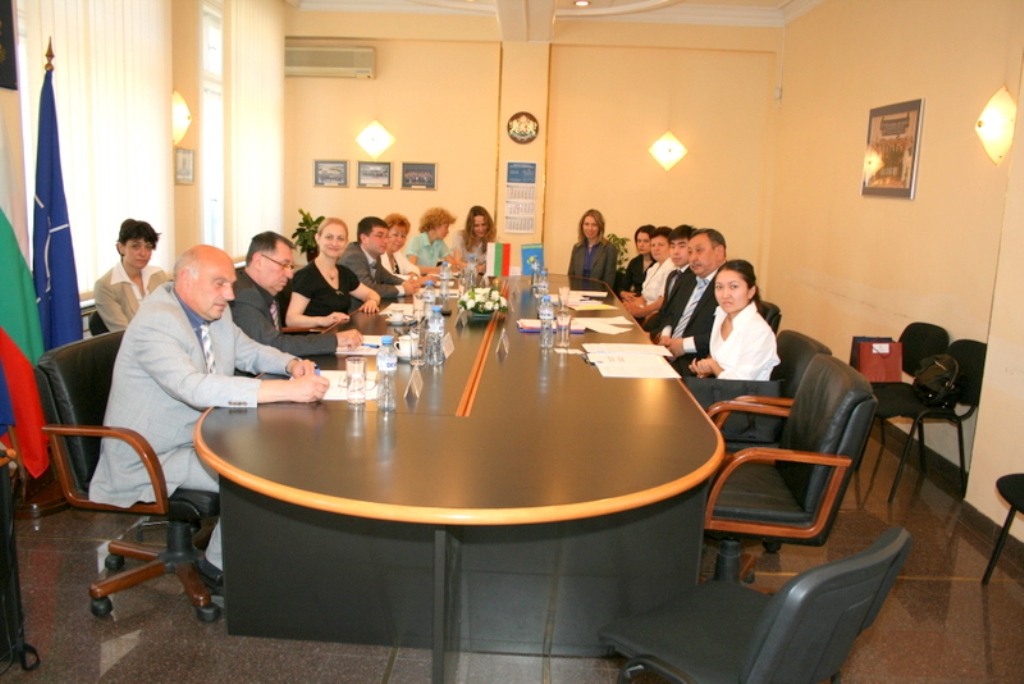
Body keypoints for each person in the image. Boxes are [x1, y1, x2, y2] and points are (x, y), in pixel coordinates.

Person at [89, 245, 330, 590]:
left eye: (231, 284)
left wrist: (290, 365)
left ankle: (250, 551)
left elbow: (248, 351)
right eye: (220, 283)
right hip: (151, 454)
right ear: (187, 279)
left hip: (197, 435)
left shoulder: (213, 311)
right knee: (254, 479)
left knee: (276, 455)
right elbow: (193, 387)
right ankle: (216, 570)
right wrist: (287, 390)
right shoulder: (158, 322)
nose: (229, 294)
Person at [231, 231, 363, 356]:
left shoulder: (266, 290)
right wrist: (335, 340)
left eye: (291, 267)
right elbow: (273, 345)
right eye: (284, 265)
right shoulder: (245, 295)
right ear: (258, 262)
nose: (289, 274)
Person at [688, 259, 779, 380]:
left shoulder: (758, 330)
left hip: (742, 391)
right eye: (719, 287)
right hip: (717, 386)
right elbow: (718, 357)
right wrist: (706, 367)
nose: (725, 294)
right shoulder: (721, 314)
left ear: (751, 291)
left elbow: (741, 382)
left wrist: (714, 366)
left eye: (733, 286)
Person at [287, 217, 382, 327]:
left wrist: (372, 301)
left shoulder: (344, 273)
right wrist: (323, 321)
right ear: (317, 238)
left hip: (342, 333)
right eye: (329, 237)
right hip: (317, 335)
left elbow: (372, 294)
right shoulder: (306, 276)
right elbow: (291, 320)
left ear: (346, 242)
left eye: (340, 238)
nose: (335, 243)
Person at [657, 228, 727, 375]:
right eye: (690, 252)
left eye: (699, 251)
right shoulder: (686, 280)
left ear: (719, 252)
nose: (693, 258)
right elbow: (670, 313)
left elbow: (726, 334)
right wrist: (666, 336)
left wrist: (684, 345)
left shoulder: (728, 287)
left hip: (697, 364)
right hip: (667, 354)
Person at [94, 218, 168, 332]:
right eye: (136, 246)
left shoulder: (158, 276)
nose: (143, 253)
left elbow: (171, 316)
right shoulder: (105, 286)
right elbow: (123, 333)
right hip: (135, 342)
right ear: (121, 248)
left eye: (148, 247)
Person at [341, 216, 422, 301]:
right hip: (353, 308)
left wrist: (405, 283)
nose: (386, 241)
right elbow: (368, 288)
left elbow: (386, 276)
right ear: (364, 238)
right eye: (380, 236)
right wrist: (403, 290)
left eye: (387, 236)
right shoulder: (353, 257)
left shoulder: (374, 253)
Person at [622, 227, 673, 320]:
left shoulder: (672, 269)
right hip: (645, 312)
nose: (656, 249)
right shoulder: (654, 268)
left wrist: (640, 311)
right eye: (653, 245)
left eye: (661, 245)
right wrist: (630, 304)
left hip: (657, 316)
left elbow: (661, 302)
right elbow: (644, 297)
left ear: (671, 246)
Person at [567, 209, 618, 290]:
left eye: (594, 225)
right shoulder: (577, 248)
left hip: (599, 294)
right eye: (586, 224)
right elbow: (570, 276)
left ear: (600, 227)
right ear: (582, 226)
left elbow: (609, 281)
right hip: (577, 293)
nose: (590, 228)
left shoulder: (609, 248)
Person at [406, 207, 457, 275]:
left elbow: (453, 264)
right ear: (436, 225)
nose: (448, 231)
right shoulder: (416, 241)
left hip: (429, 279)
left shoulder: (439, 243)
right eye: (446, 227)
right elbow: (411, 267)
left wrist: (446, 267)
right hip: (415, 279)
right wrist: (436, 270)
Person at [451, 205, 496, 275]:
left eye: (484, 224)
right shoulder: (459, 236)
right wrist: (474, 267)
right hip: (462, 276)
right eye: (476, 225)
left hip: (480, 276)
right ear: (470, 226)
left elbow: (493, 263)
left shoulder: (491, 239)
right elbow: (457, 262)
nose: (481, 229)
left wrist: (485, 267)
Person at [618, 225, 655, 298]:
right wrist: (623, 293)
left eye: (646, 241)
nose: (641, 245)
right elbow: (623, 287)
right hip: (634, 298)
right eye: (639, 241)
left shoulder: (659, 264)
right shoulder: (634, 262)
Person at [382, 213, 421, 278]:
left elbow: (414, 269)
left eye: (403, 236)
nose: (400, 240)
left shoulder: (397, 253)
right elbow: (387, 278)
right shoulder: (378, 255)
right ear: (385, 235)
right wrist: (408, 278)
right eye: (395, 235)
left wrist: (412, 274)